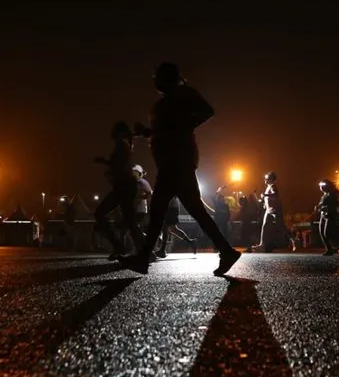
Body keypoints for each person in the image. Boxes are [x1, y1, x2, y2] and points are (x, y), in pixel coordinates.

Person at [121, 62, 240, 276]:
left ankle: (143, 258)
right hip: (171, 162)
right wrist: (148, 132)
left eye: (158, 77)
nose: (155, 81)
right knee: (193, 211)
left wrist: (183, 126)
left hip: (177, 162)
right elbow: (165, 130)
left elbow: (206, 112)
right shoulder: (167, 101)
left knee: (159, 210)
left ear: (168, 78)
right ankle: (226, 251)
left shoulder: (183, 94)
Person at [93, 121, 145, 260]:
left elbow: (118, 164)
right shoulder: (125, 144)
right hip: (125, 186)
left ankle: (122, 246)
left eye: (115, 133)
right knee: (129, 220)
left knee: (101, 214)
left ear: (120, 133)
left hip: (124, 186)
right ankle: (140, 250)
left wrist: (104, 161)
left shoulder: (122, 145)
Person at [251, 171, 297, 253]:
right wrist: (263, 201)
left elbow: (275, 194)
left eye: (266, 178)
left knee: (282, 227)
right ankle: (262, 245)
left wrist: (265, 195)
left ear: (270, 179)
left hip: (275, 210)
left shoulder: (273, 186)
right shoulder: (268, 187)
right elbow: (268, 198)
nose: (265, 180)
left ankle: (293, 240)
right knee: (264, 226)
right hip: (268, 210)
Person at [315, 180, 339, 255]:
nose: (321, 187)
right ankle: (329, 249)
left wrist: (325, 208)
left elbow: (334, 206)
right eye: (320, 185)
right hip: (323, 215)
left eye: (323, 185)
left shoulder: (332, 195)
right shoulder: (323, 196)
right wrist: (318, 208)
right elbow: (321, 206)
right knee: (321, 233)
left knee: (327, 233)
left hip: (330, 215)